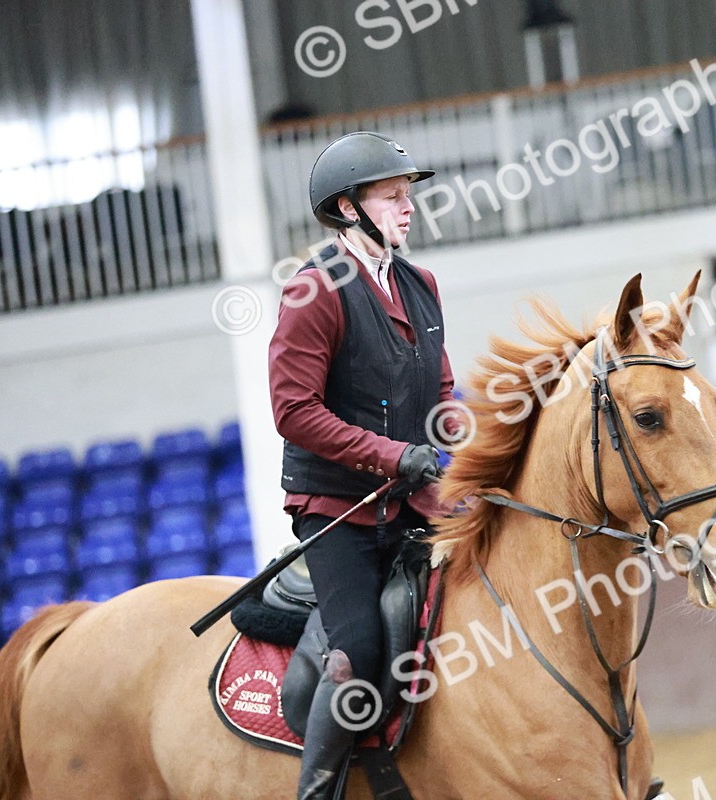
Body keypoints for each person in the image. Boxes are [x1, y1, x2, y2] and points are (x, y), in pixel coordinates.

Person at [268, 131, 455, 799]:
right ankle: (316, 791)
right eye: (393, 197)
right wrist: (393, 455)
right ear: (349, 208)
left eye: (410, 197)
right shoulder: (313, 291)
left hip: (413, 507)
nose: (409, 209)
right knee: (360, 650)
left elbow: (438, 391)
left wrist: (469, 442)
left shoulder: (421, 283)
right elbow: (294, 412)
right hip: (337, 513)